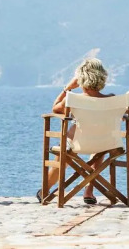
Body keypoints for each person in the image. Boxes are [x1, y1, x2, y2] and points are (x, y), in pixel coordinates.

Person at [39, 57, 114, 205]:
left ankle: (45, 191)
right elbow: (122, 117)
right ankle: (88, 191)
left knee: (64, 153)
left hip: (76, 144)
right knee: (99, 147)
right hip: (105, 143)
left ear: (81, 79)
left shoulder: (73, 99)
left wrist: (67, 88)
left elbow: (55, 108)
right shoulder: (112, 99)